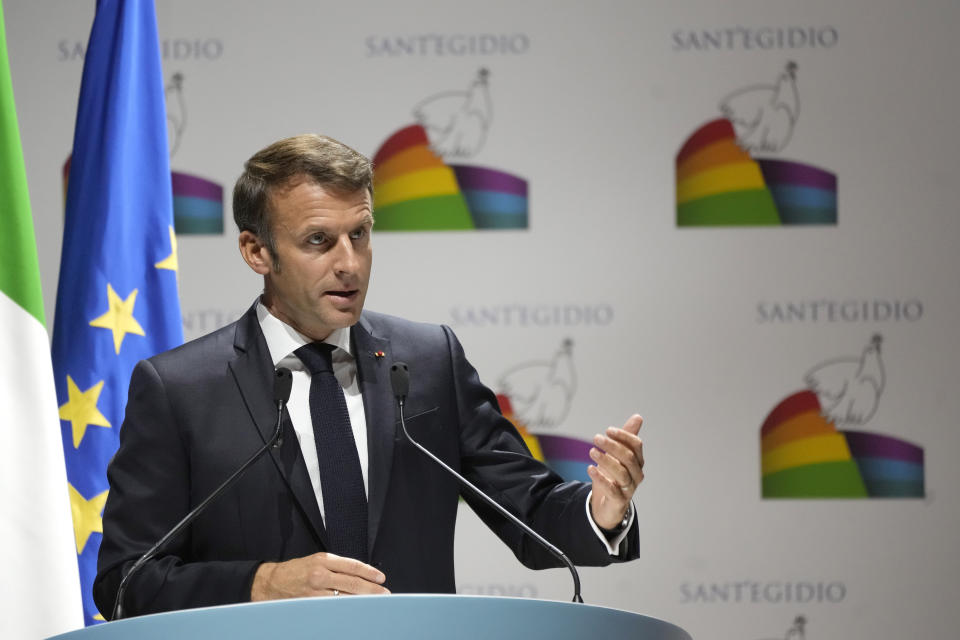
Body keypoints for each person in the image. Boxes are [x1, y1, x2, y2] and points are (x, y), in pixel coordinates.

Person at [93, 134, 645, 617]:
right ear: (256, 251)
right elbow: (125, 583)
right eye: (318, 241)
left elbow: (528, 512)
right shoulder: (181, 390)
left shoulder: (430, 360)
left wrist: (601, 511)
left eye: (360, 234)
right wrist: (261, 583)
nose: (350, 263)